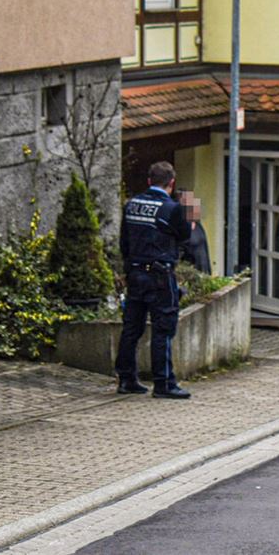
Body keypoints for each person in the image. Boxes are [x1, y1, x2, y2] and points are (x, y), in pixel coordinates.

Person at [115, 161, 193, 399]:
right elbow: (186, 236)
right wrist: (190, 209)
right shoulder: (172, 209)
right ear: (171, 183)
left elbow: (124, 242)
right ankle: (164, 383)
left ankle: (126, 379)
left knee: (132, 328)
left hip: (135, 273)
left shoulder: (131, 204)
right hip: (160, 275)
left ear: (149, 181)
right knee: (163, 328)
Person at [178, 190, 211, 273]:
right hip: (189, 273)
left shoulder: (198, 227)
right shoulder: (181, 229)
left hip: (202, 271)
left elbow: (204, 249)